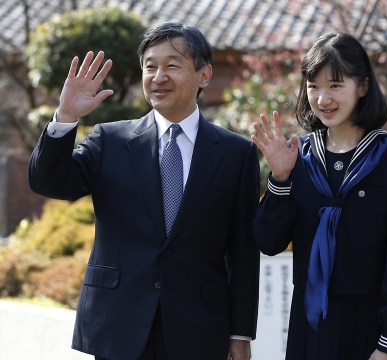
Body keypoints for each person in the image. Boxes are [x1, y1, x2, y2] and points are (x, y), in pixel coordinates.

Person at [28, 22, 260, 360]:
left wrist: (240, 333)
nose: (158, 76)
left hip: (199, 328)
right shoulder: (110, 141)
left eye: (172, 65)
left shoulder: (235, 154)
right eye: (150, 66)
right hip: (119, 322)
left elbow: (242, 250)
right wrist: (65, 117)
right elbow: (48, 182)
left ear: (204, 74)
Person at [251, 32, 387, 360]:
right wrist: (280, 179)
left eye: (335, 85)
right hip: (312, 324)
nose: (323, 98)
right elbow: (268, 242)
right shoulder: (298, 155)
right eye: (313, 86)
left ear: (362, 86)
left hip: (375, 328)